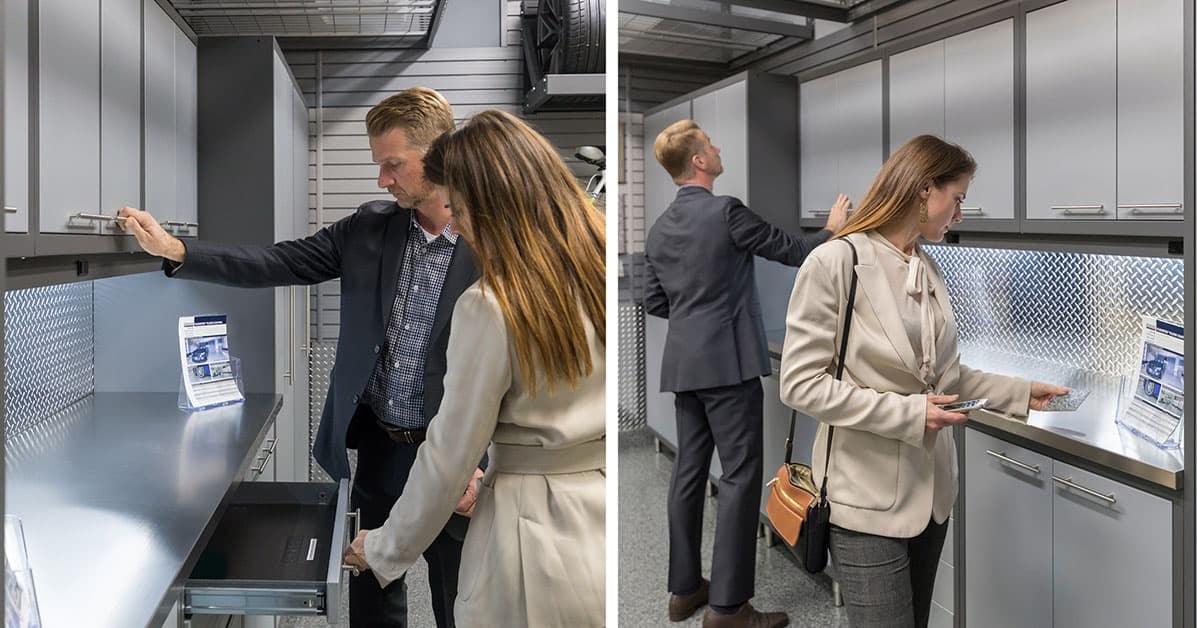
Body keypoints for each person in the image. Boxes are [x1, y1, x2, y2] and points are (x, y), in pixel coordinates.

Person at [117, 87, 480, 628]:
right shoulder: (369, 228)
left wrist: (485, 459)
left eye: (393, 164)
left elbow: (523, 363)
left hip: (457, 455)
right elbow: (276, 262)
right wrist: (177, 250)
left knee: (463, 601)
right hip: (381, 452)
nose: (382, 179)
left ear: (442, 153)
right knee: (374, 593)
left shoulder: (494, 242)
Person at [779, 134, 1068, 628]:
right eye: (957, 199)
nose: (958, 215)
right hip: (864, 503)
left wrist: (1019, 392)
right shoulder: (835, 262)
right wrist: (910, 413)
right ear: (922, 191)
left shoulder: (926, 266)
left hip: (931, 498)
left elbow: (945, 375)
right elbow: (801, 384)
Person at [341, 109, 606, 627]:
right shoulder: (594, 267)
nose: (455, 224)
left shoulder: (492, 303)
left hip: (529, 542)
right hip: (596, 528)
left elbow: (449, 457)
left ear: (495, 206)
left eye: (459, 209)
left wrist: (384, 548)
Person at [642, 119, 850, 628]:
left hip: (685, 366)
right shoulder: (725, 212)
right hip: (729, 366)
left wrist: (697, 317)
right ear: (698, 161)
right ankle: (729, 607)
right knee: (738, 478)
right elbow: (794, 251)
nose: (717, 149)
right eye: (710, 145)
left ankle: (684, 591)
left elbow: (652, 300)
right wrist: (834, 227)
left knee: (689, 474)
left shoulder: (660, 227)